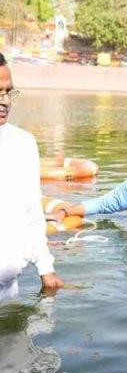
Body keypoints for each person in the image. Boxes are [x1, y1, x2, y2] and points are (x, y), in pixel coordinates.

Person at [0, 52, 64, 298]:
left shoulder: (23, 143)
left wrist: (45, 268)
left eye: (9, 91)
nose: (5, 101)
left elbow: (32, 211)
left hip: (9, 293)